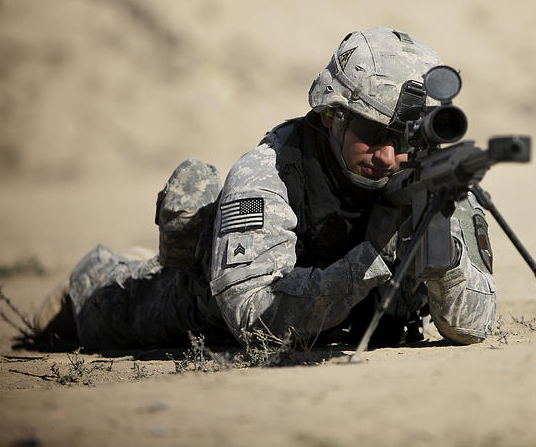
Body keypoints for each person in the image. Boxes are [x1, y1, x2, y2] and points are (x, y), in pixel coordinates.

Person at [34, 27, 497, 351]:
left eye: (406, 141)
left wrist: (447, 266)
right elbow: (255, 322)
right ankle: (98, 277)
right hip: (205, 313)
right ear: (331, 117)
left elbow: (474, 325)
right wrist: (372, 260)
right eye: (374, 135)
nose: (389, 157)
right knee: (102, 316)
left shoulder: (432, 178)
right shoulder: (271, 170)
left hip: (340, 318)